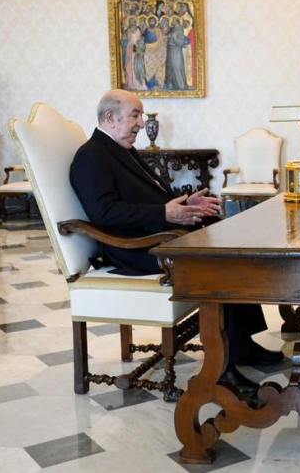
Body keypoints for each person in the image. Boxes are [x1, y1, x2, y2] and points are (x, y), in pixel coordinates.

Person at [69, 89, 283, 395]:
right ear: (110, 118)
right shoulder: (90, 156)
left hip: (153, 235)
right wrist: (165, 213)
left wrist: (182, 203)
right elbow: (105, 213)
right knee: (218, 263)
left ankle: (242, 344)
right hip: (132, 247)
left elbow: (147, 197)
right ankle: (222, 368)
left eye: (140, 116)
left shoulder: (120, 149)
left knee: (229, 244)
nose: (141, 123)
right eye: (135, 115)